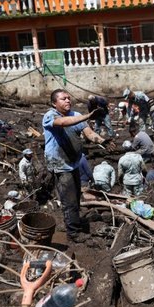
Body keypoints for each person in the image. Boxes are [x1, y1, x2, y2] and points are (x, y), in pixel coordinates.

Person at [43, 89, 108, 243]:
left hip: (73, 163)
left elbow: (89, 133)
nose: (67, 101)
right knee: (69, 200)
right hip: (60, 165)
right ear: (54, 103)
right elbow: (63, 123)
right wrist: (87, 116)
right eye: (63, 99)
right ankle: (73, 233)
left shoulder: (76, 115)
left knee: (75, 196)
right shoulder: (50, 116)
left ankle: (74, 221)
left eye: (68, 98)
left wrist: (102, 141)